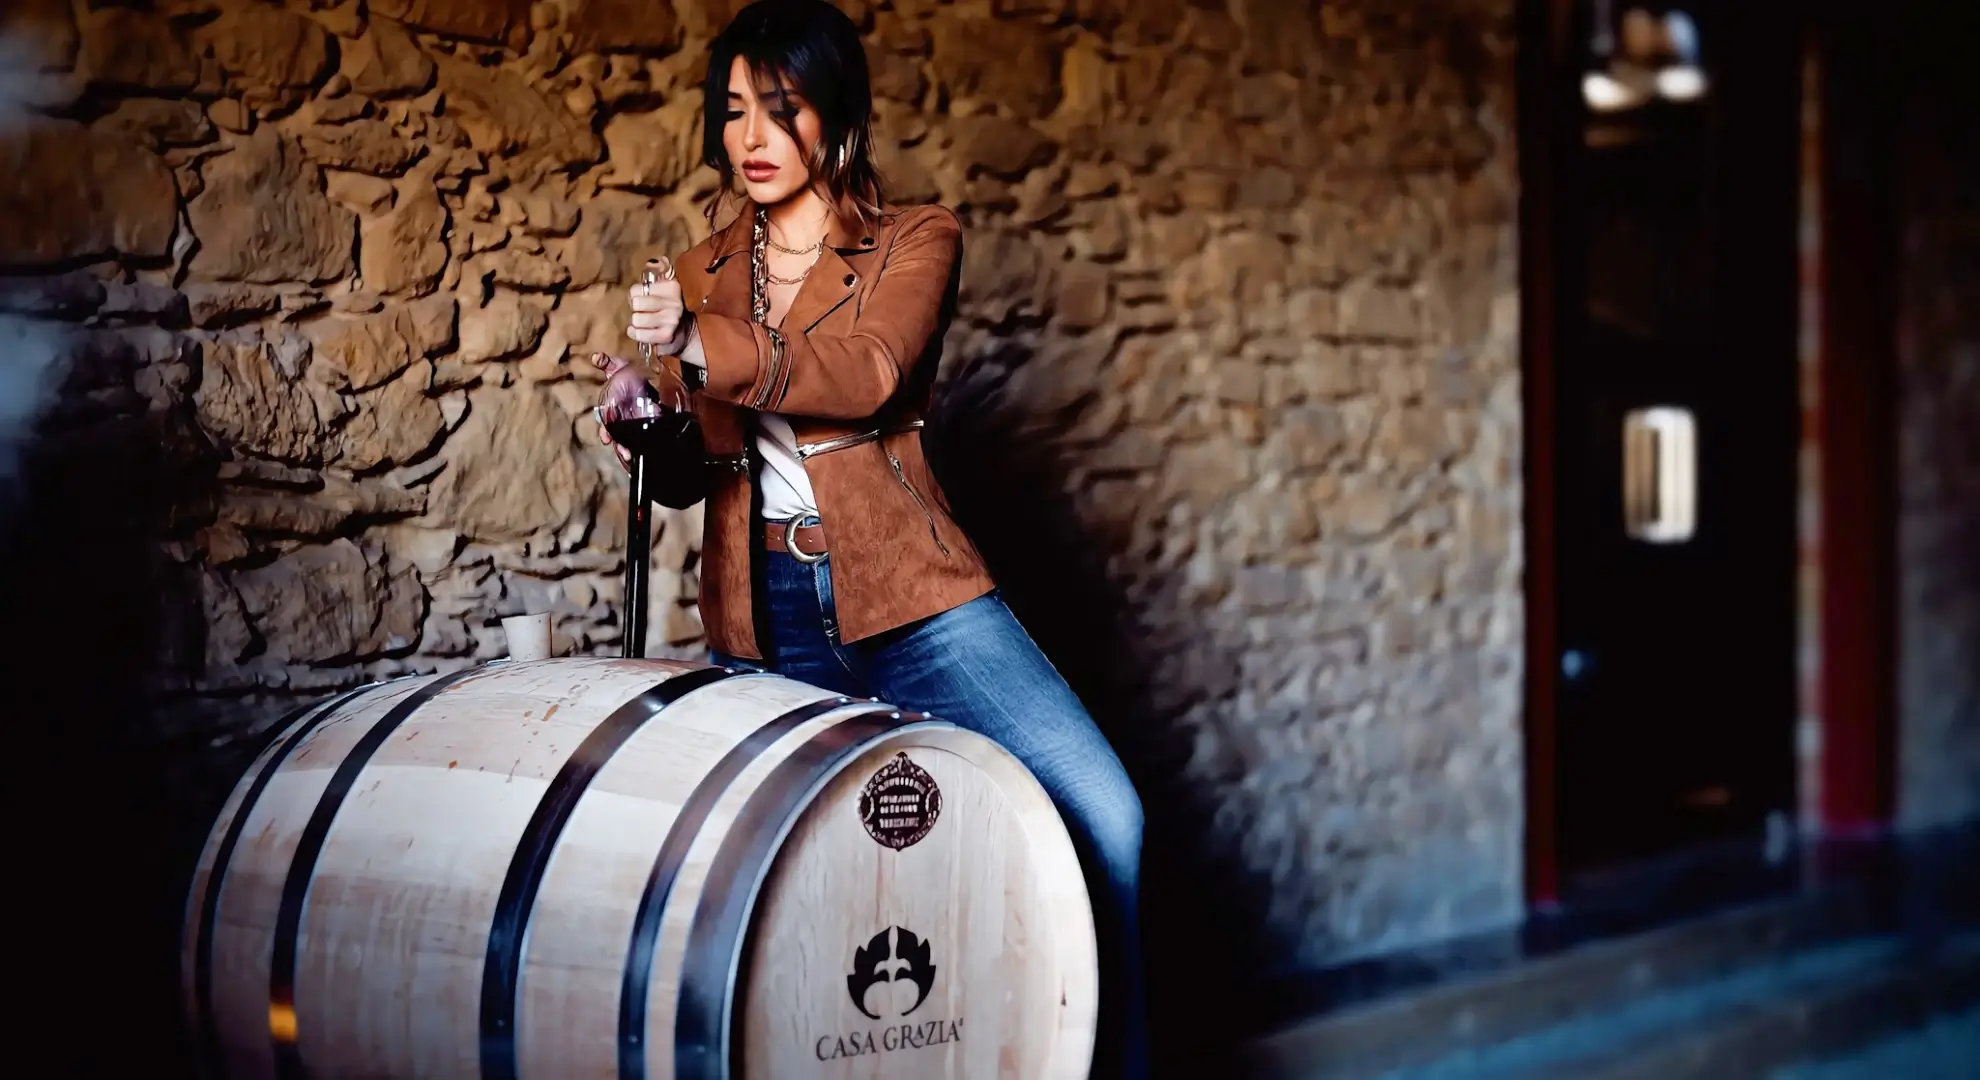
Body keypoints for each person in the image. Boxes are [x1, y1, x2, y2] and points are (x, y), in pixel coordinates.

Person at [587, 1, 1147, 1076]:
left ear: (836, 119)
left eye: (781, 107)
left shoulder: (916, 240)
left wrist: (701, 345)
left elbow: (868, 375)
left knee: (1105, 817)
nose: (752, 136)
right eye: (734, 110)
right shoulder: (703, 270)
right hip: (768, 615)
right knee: (806, 890)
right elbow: (701, 473)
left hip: (913, 601)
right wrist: (645, 420)